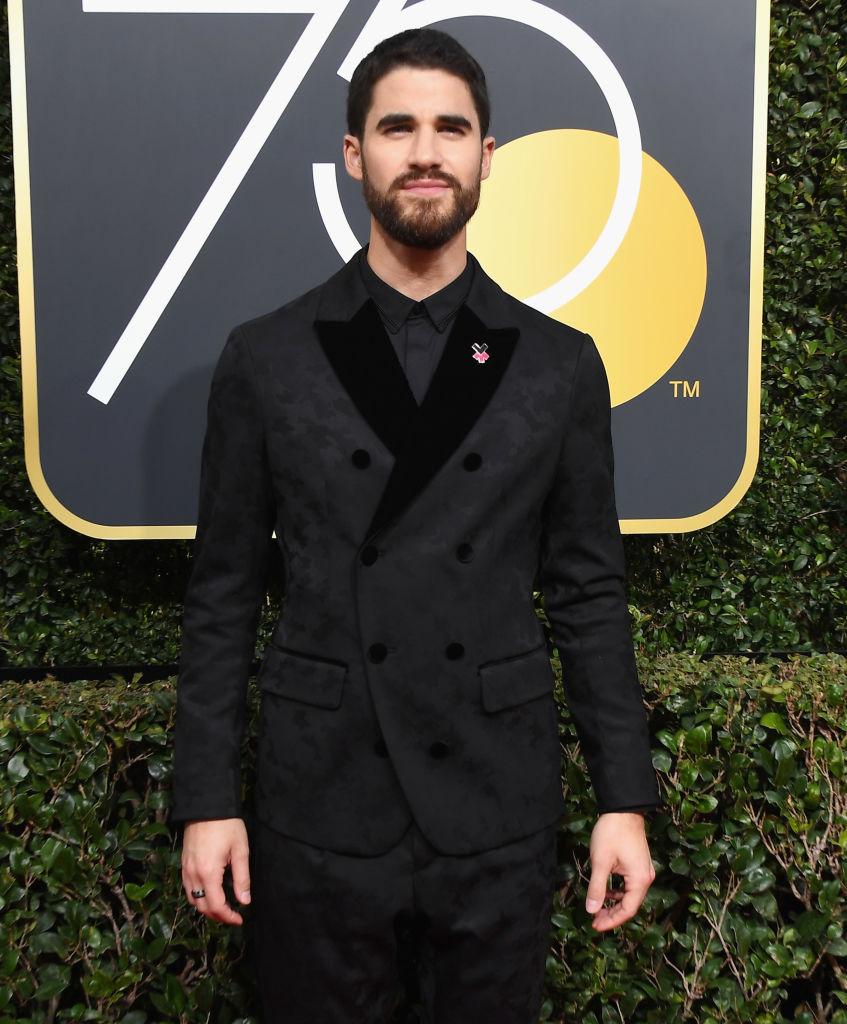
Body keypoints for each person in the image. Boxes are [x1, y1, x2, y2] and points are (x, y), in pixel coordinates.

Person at [169, 26, 662, 1023]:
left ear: (487, 155)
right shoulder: (266, 358)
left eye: (452, 128)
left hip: (493, 801)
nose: (425, 151)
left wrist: (625, 797)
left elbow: (587, 592)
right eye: (397, 127)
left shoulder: (556, 363)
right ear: (355, 155)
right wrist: (206, 800)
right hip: (320, 804)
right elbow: (222, 593)